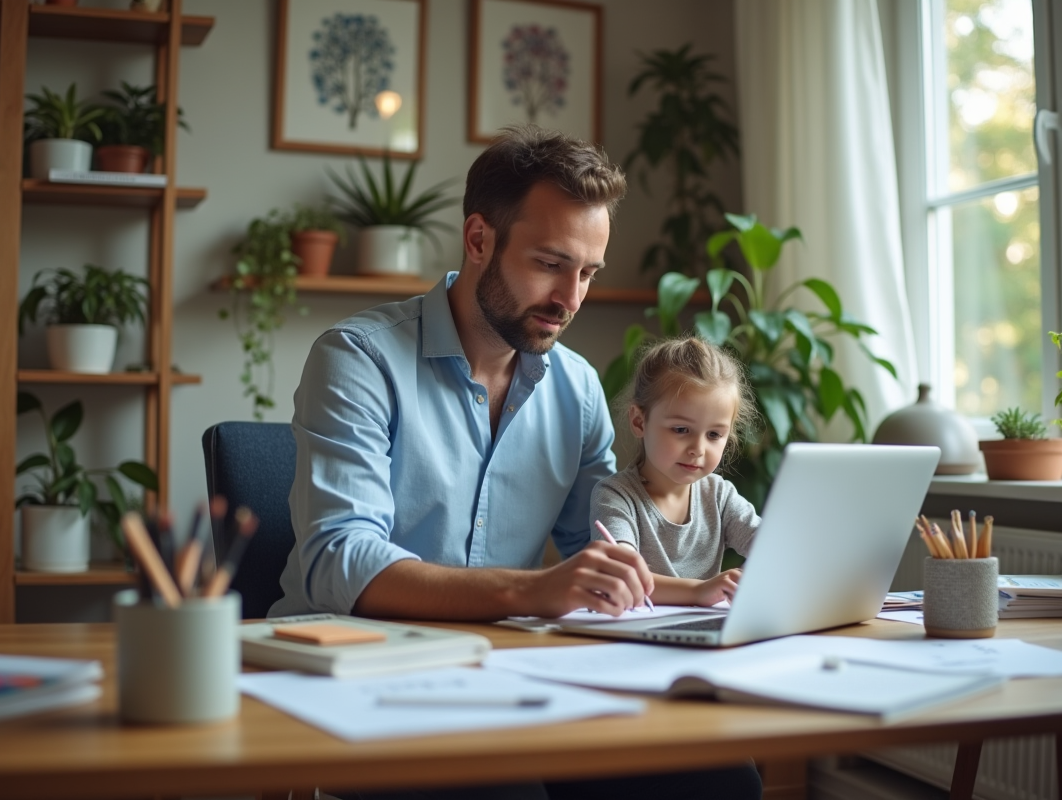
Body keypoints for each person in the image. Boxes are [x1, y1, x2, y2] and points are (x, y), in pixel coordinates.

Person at [272, 125, 761, 800]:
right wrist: (530, 591)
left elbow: (602, 551)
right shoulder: (359, 359)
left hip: (509, 671)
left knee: (718, 775)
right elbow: (338, 560)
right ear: (479, 241)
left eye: (588, 272)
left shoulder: (577, 387)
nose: (571, 298)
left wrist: (699, 595)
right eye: (550, 263)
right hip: (365, 674)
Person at [591, 337, 761, 607]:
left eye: (715, 434)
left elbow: (770, 547)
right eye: (681, 430)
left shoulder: (720, 496)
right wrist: (698, 592)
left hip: (703, 636)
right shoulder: (615, 496)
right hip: (636, 637)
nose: (698, 448)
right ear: (639, 421)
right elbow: (623, 577)